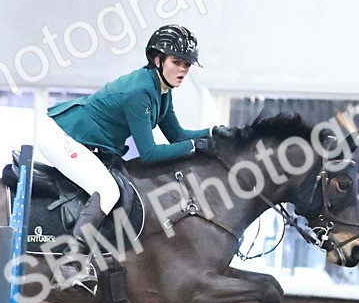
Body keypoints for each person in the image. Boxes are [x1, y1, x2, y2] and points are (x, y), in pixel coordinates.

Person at [38, 24, 227, 288]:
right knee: (107, 191)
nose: (183, 69)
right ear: (157, 60)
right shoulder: (140, 91)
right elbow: (148, 153)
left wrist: (213, 133)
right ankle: (71, 263)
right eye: (177, 62)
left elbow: (176, 135)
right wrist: (195, 147)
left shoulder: (162, 90)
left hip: (84, 140)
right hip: (62, 136)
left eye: (187, 64)